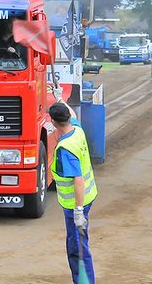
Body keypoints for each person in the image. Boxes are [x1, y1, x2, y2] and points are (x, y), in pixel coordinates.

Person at [48, 90, 98, 284]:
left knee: (77, 249)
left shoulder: (65, 149)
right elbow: (74, 115)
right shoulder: (76, 130)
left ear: (53, 122)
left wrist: (78, 211)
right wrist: (60, 97)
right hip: (87, 197)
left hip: (76, 205)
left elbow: (78, 180)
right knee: (77, 245)